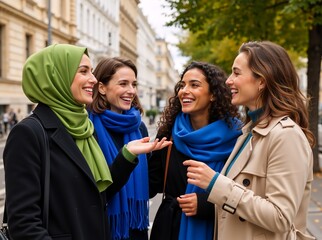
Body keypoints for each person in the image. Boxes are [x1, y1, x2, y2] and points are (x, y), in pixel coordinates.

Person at [3, 44, 171, 240]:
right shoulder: (28, 132)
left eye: (91, 71)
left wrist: (127, 155)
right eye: (83, 71)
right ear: (56, 75)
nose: (93, 79)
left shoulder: (83, 127)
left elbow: (100, 194)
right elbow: (24, 223)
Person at [184, 41, 315, 240]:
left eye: (236, 73)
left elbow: (280, 217)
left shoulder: (286, 135)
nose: (228, 81)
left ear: (261, 81)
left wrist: (215, 184)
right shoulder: (248, 132)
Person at [149, 61, 242, 240]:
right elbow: (151, 186)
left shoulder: (236, 137)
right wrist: (136, 156)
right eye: (182, 85)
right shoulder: (169, 133)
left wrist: (207, 205)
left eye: (194, 85)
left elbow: (246, 195)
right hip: (169, 230)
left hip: (216, 230)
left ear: (213, 94)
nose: (184, 91)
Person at [87, 57, 151, 240]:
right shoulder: (87, 128)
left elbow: (151, 183)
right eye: (123, 84)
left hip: (135, 229)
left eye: (134, 84)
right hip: (103, 228)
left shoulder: (139, 127)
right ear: (102, 88)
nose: (131, 91)